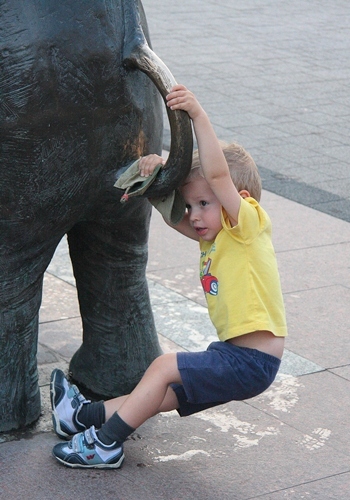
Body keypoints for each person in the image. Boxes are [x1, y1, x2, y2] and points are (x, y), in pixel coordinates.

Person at [50, 84, 287, 469]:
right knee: (165, 391)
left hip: (251, 362)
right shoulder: (214, 239)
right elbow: (175, 214)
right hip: (233, 356)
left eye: (204, 204)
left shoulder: (247, 225)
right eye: (193, 204)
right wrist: (154, 178)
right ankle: (80, 419)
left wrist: (197, 115)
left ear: (239, 198)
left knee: (163, 367)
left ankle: (105, 446)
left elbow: (216, 172)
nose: (194, 215)